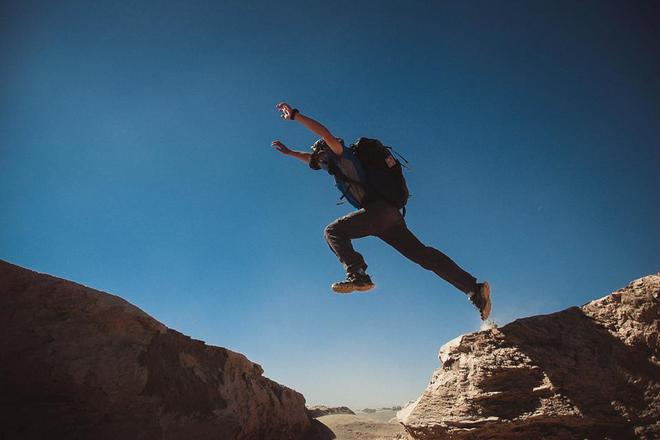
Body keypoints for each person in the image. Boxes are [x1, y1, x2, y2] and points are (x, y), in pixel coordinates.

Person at [271, 102, 492, 320]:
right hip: (389, 218)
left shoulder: (342, 154)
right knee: (424, 255)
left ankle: (358, 274)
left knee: (333, 231)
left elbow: (325, 133)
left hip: (378, 212)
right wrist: (290, 152)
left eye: (319, 155)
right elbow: (309, 160)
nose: (318, 161)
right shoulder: (334, 166)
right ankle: (474, 289)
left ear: (325, 150)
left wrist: (296, 116)